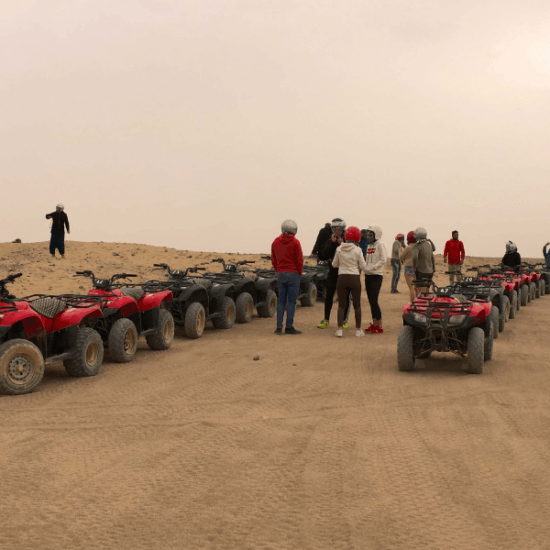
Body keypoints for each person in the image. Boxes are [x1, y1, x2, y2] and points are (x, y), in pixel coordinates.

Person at [332, 226, 368, 338]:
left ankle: (339, 330)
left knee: (342, 305)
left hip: (342, 278)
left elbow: (334, 264)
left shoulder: (339, 249)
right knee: (357, 305)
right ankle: (358, 330)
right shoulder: (358, 250)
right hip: (354, 278)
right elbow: (363, 266)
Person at [317, 218, 351, 329]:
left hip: (345, 272)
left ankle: (344, 320)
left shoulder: (348, 240)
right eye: (334, 229)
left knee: (345, 297)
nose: (336, 231)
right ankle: (326, 319)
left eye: (339, 229)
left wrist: (343, 244)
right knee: (329, 295)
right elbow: (323, 255)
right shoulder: (330, 239)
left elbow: (353, 254)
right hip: (332, 271)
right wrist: (332, 242)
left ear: (343, 229)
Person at [271, 220, 303, 335]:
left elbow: (273, 259)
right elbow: (299, 260)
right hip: (293, 274)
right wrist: (299, 273)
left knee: (281, 301)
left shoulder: (275, 242)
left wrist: (278, 270)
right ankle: (289, 327)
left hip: (281, 274)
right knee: (291, 302)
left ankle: (279, 327)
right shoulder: (295, 242)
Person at [363, 225, 387, 334]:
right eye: (368, 234)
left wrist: (372, 267)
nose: (369, 236)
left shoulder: (380, 244)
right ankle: (374, 324)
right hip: (368, 275)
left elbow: (383, 259)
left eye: (371, 234)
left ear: (376, 234)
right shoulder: (369, 245)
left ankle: (379, 326)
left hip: (376, 275)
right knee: (370, 301)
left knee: (374, 300)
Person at [412, 227, 435, 294]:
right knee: (427, 291)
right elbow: (432, 257)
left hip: (421, 271)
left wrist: (414, 267)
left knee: (419, 291)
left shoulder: (416, 245)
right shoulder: (428, 244)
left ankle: (420, 303)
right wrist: (433, 268)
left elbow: (415, 257)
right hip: (430, 271)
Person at [399, 231, 417, 302]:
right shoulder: (417, 247)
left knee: (411, 288)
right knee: (416, 287)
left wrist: (400, 249)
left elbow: (401, 257)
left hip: (408, 269)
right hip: (416, 268)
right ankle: (418, 303)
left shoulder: (408, 248)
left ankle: (412, 303)